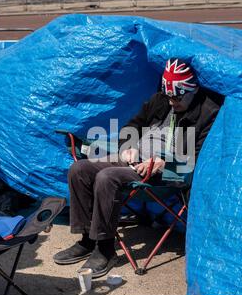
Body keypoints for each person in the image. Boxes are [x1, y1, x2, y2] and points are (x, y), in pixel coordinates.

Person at [53, 58, 221, 278]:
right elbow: (132, 126)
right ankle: (87, 240)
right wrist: (127, 147)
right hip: (135, 158)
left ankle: (105, 250)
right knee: (79, 169)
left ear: (192, 91)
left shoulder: (208, 112)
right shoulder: (161, 99)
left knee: (107, 177)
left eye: (177, 97)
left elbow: (198, 160)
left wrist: (163, 164)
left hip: (164, 171)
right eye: (168, 96)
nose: (171, 102)